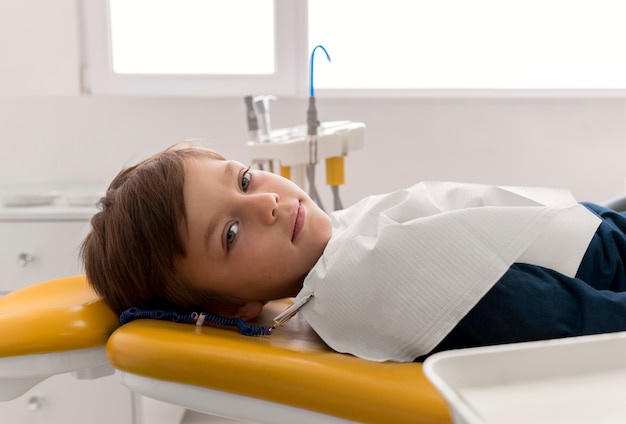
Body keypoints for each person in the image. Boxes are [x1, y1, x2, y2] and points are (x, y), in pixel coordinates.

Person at [82, 141, 626, 362]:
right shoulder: (371, 282)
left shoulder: (331, 251)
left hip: (587, 225)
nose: (267, 201)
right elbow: (570, 320)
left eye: (244, 179)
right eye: (229, 233)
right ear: (233, 308)